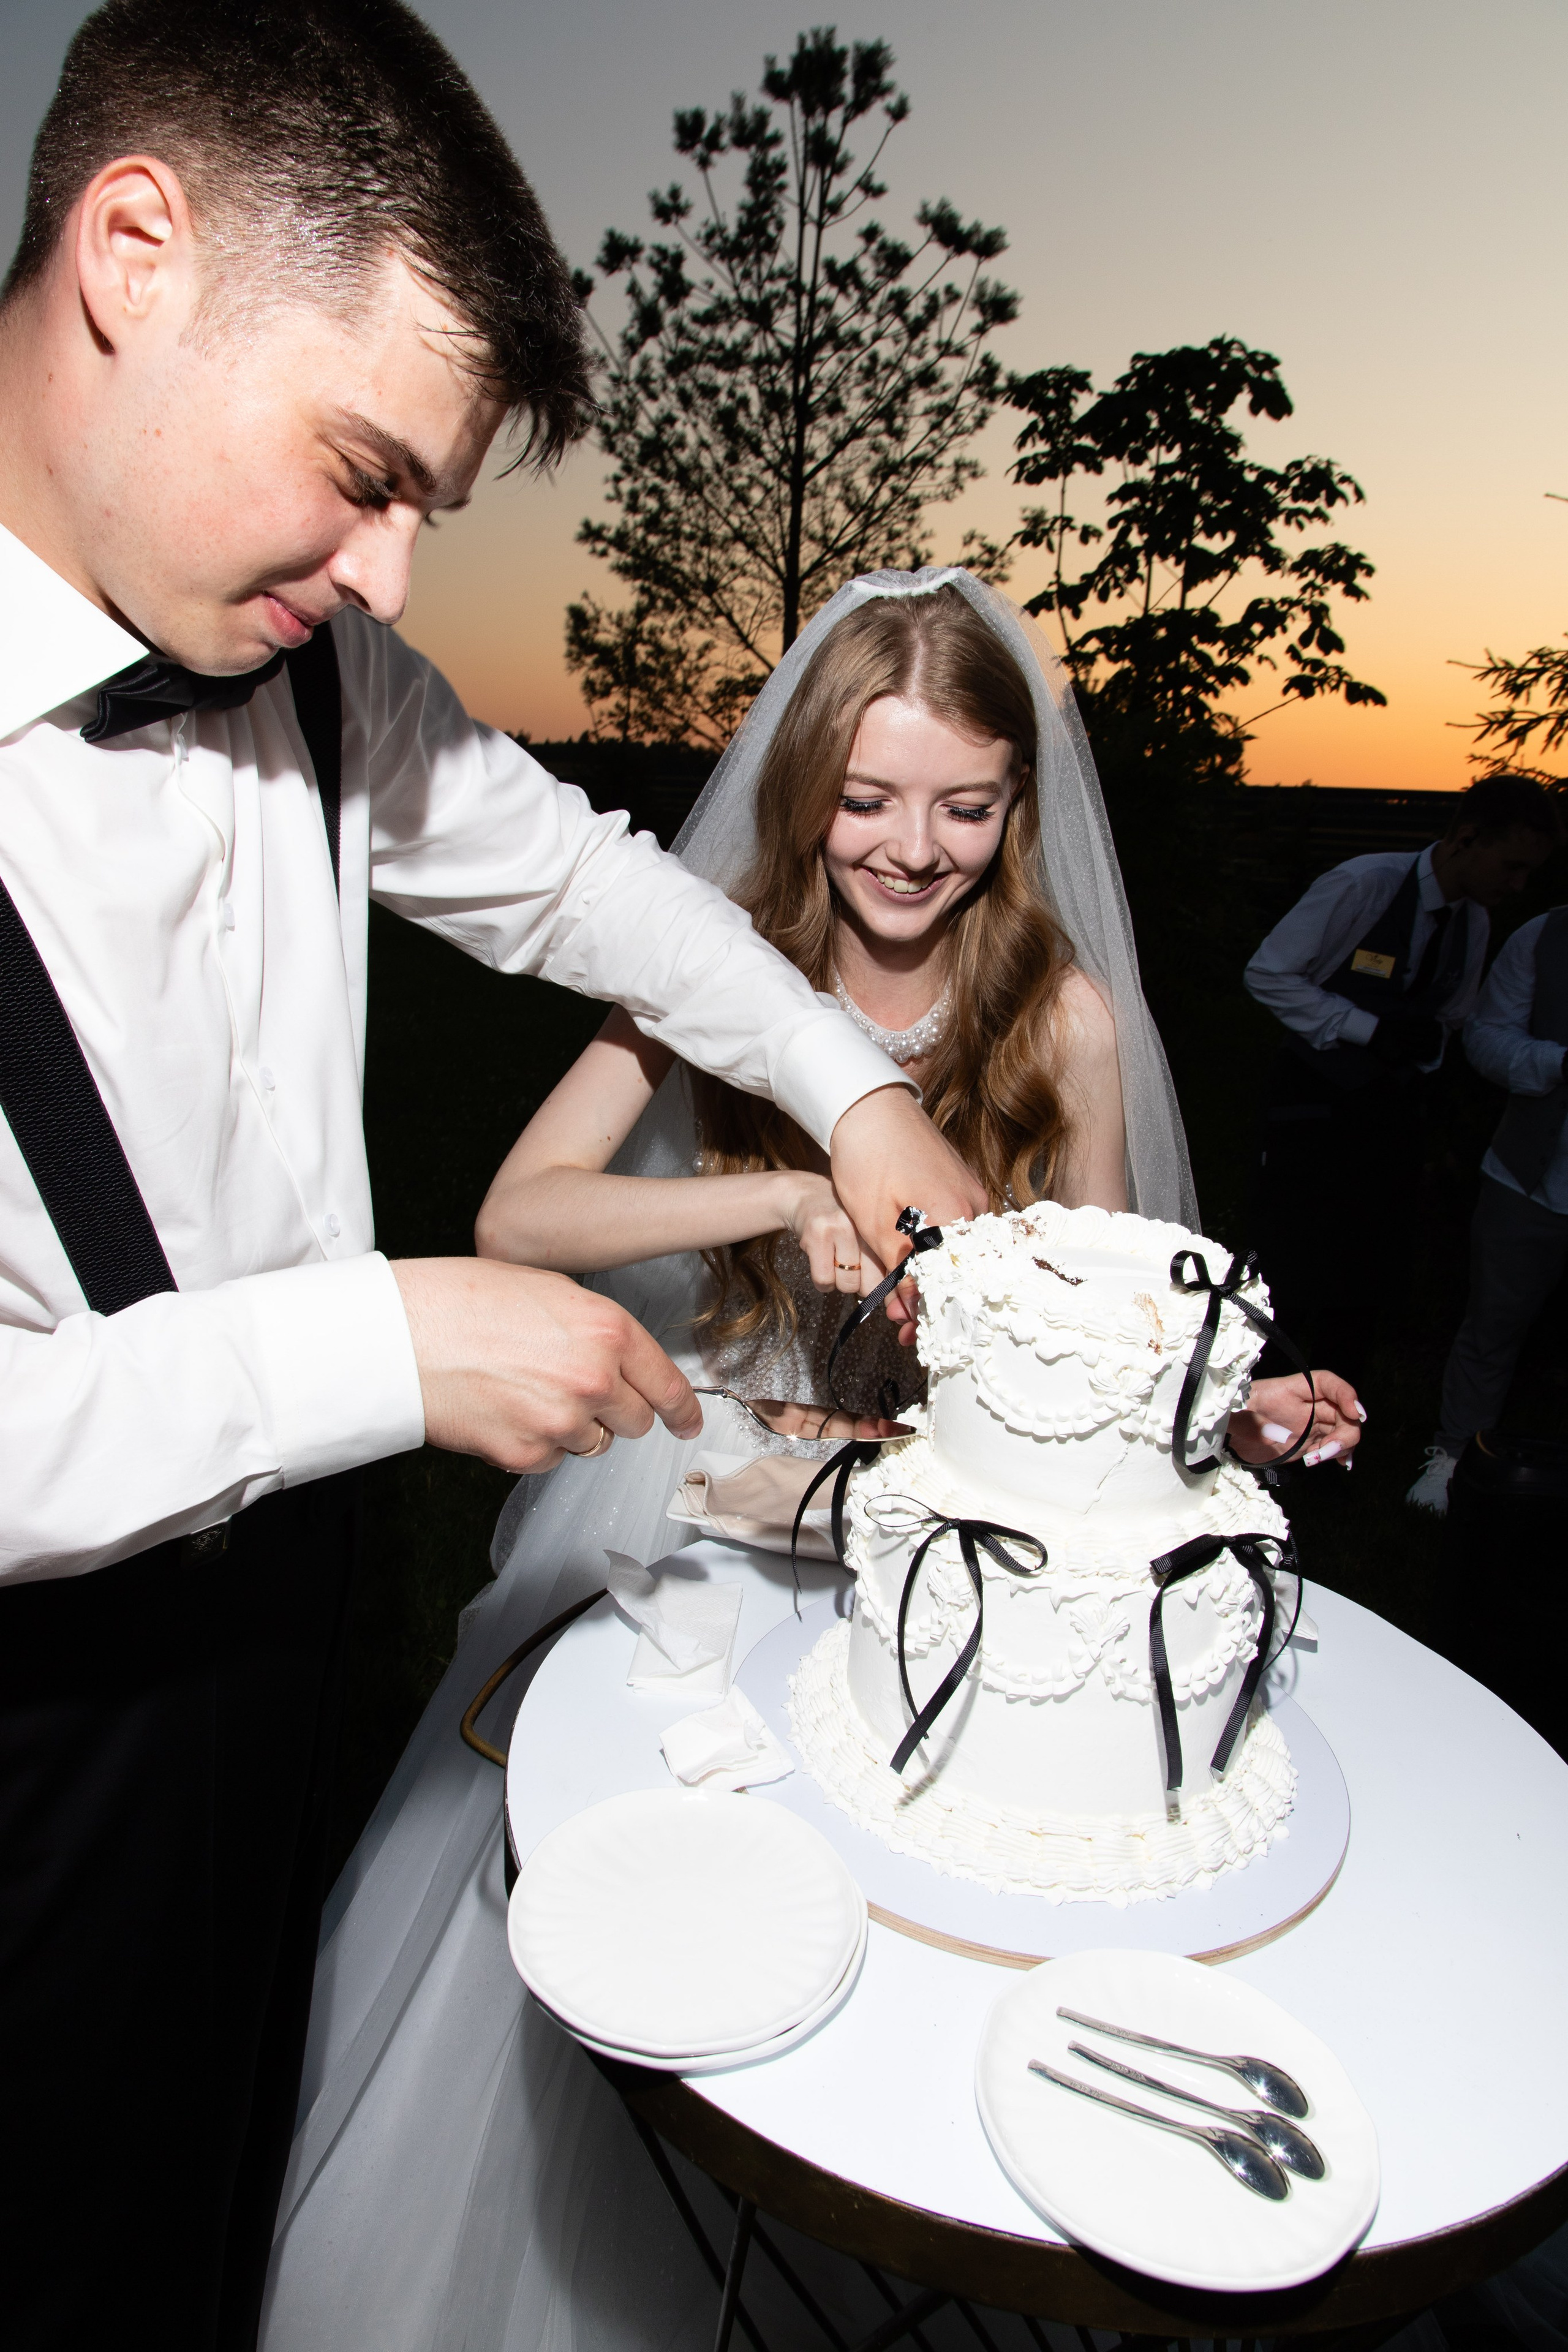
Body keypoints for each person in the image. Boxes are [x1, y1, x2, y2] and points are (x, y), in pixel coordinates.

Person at [0, 12, 987, 2349]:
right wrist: (384, 1339)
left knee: (223, 2167)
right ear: (133, 246)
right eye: (360, 468)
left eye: (429, 499)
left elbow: (591, 897)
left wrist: (850, 1091)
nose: (387, 569)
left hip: (292, 1603)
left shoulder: (318, 664)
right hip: (37, 1715)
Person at [263, 570, 1361, 2351]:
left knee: (886, 1939)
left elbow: (1104, 1299)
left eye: (961, 802)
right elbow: (518, 1209)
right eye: (864, 797)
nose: (909, 847)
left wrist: (1230, 1408)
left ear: (1018, 804)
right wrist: (785, 1181)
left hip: (946, 1516)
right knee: (642, 1897)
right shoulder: (716, 955)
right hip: (698, 1468)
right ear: (800, 790)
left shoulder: (1056, 1007)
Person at [1243, 775, 1561, 1388]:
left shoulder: (1473, 922)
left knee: (1364, 1279)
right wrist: (1366, 1028)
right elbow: (1269, 974)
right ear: (1467, 837)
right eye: (1512, 866)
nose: (1517, 886)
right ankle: (1257, 1423)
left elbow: (1452, 1016)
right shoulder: (1364, 884)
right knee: (1289, 1271)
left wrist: (1424, 1054)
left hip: (1386, 1117)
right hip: (1310, 1108)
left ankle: (1329, 1437)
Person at [1408, 903, 1568, 1512]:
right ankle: (1453, 1455)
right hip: (1529, 1175)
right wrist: (1556, 1063)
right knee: (1493, 1321)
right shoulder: (1543, 936)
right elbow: (1485, 1038)